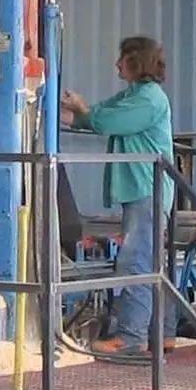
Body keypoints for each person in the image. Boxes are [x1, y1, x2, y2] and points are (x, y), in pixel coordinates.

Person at [61, 36, 177, 356]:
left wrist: (84, 110)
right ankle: (163, 332)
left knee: (137, 261)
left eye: (123, 59)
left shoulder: (148, 99)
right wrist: (72, 113)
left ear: (137, 62)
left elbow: (107, 120)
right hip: (142, 190)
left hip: (147, 191)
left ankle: (132, 336)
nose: (117, 64)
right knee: (151, 262)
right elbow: (100, 114)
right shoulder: (133, 95)